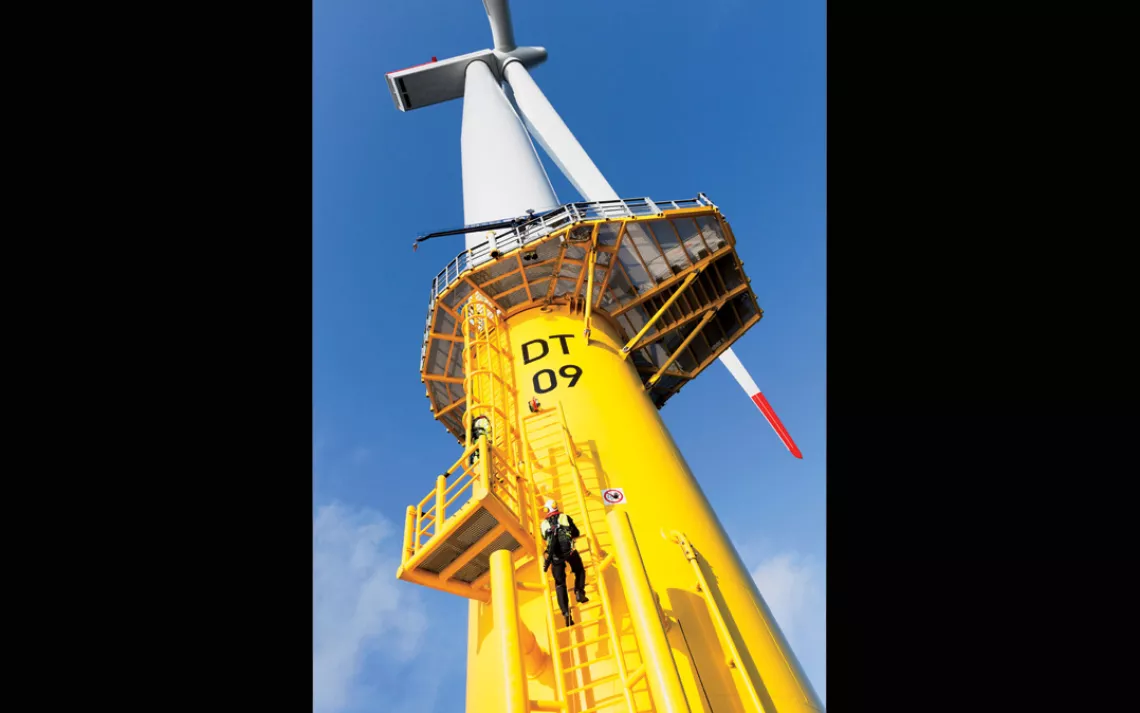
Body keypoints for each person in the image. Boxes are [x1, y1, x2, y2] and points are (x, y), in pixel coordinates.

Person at [541, 499, 588, 625]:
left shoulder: (543, 524)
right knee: (579, 570)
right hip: (569, 552)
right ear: (556, 507)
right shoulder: (564, 517)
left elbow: (545, 537)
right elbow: (576, 532)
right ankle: (579, 592)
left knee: (560, 584)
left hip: (555, 557)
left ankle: (566, 613)